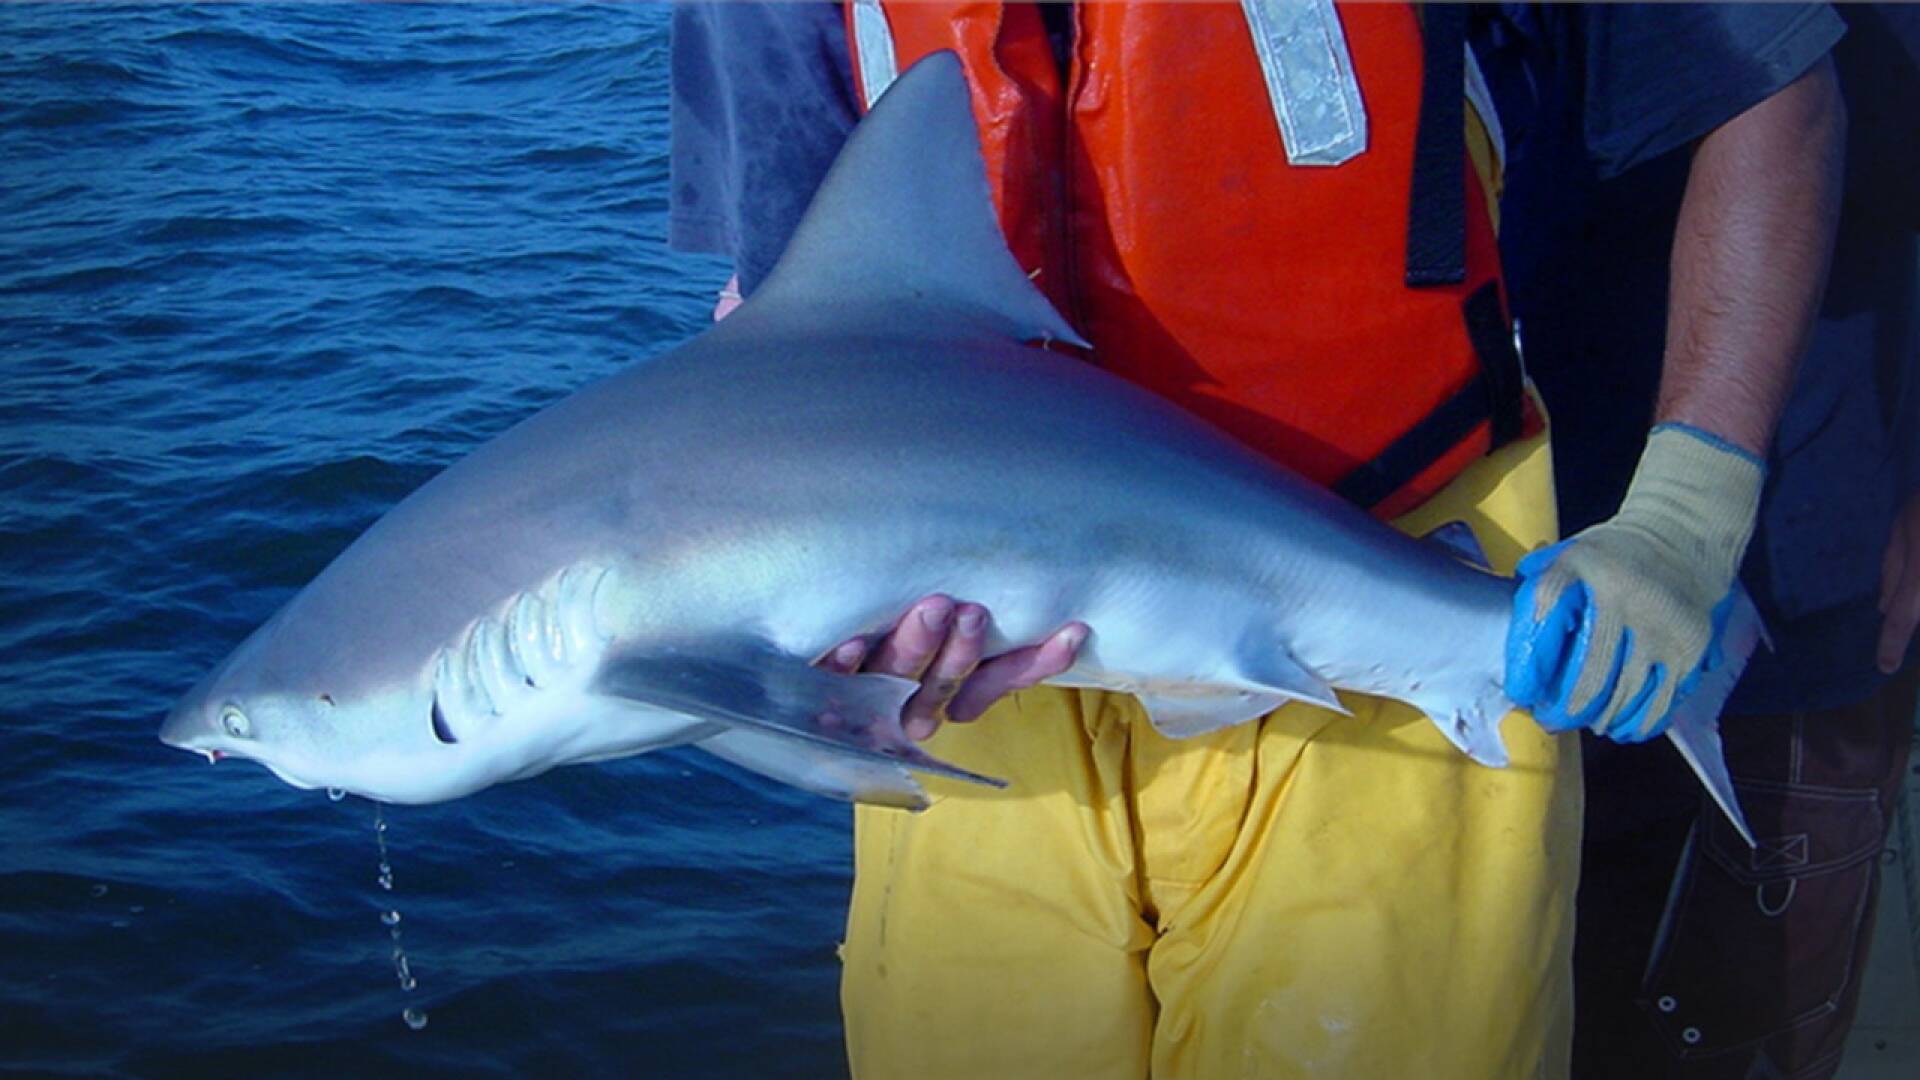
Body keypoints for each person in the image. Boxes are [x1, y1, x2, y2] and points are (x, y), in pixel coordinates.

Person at [668, 3, 1844, 1076]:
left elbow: (1768, 87)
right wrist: (820, 640)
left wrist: (1689, 515)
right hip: (987, 709)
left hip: (1397, 626)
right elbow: (790, 308)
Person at [1500, 6, 1920, 1076]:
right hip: (1479, 569)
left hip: (1788, 555)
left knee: (1708, 1028)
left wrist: (1687, 519)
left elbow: (1779, 90)